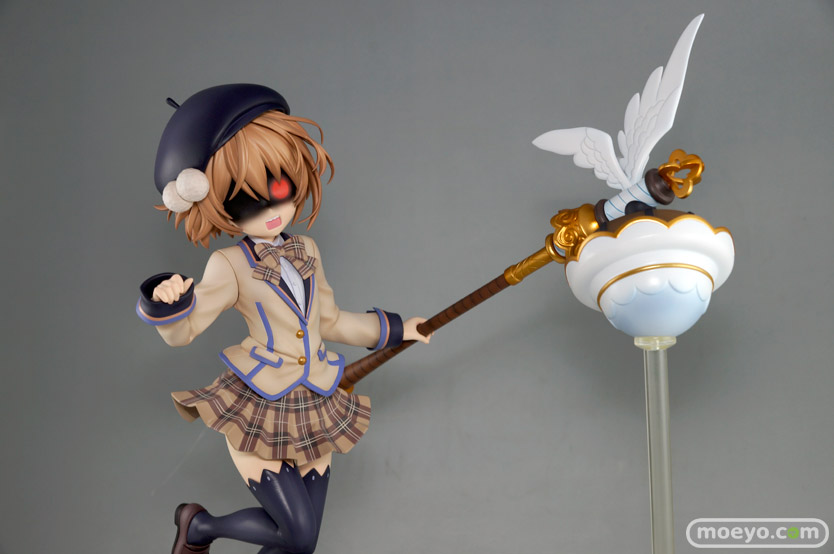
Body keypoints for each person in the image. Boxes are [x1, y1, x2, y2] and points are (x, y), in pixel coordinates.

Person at [136, 84, 430, 554]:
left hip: (315, 401)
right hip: (260, 404)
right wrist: (167, 303)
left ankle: (199, 529)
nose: (272, 210)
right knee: (299, 535)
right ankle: (200, 528)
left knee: (297, 548)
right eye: (246, 200)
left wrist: (396, 330)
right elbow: (184, 331)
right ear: (216, 201)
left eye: (279, 189)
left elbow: (329, 321)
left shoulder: (306, 249)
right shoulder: (229, 264)